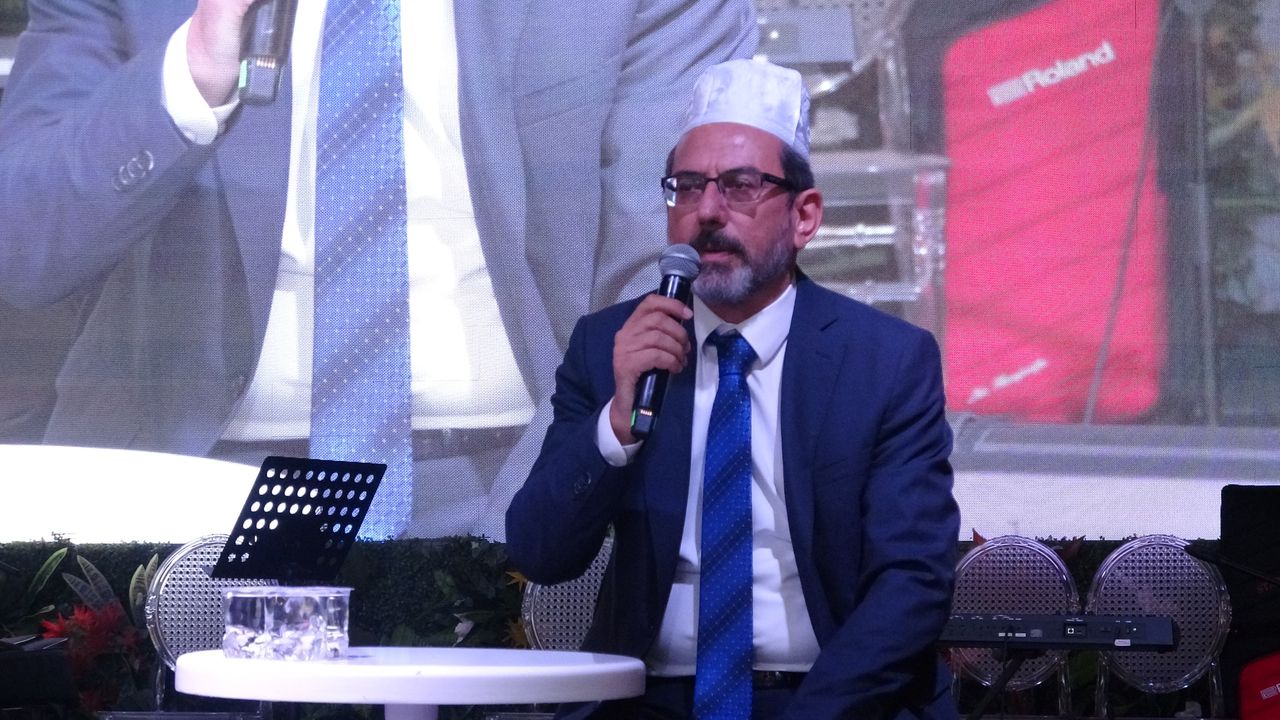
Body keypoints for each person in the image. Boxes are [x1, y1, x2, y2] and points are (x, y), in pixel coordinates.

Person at [0, 0, 756, 539]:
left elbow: (666, 271)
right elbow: (23, 250)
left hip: (523, 471)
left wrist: (541, 517)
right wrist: (191, 76)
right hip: (188, 492)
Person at [506, 58, 960, 719]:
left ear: (804, 217)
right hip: (650, 700)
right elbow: (539, 554)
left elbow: (911, 581)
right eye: (687, 188)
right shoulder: (611, 348)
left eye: (741, 186)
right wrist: (615, 425)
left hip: (826, 697)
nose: (707, 212)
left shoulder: (884, 361)